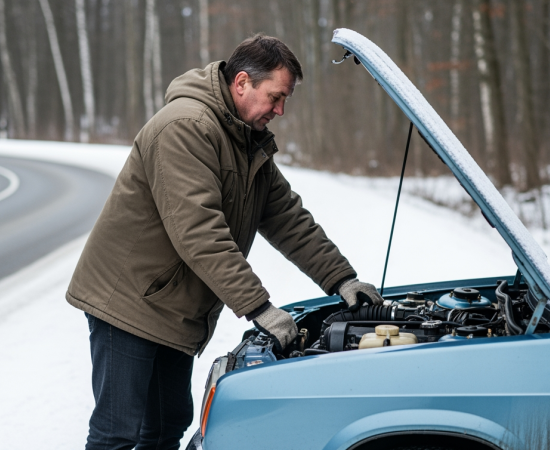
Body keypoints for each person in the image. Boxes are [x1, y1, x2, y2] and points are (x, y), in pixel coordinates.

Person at [66, 34, 383, 450]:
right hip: (128, 301)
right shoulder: (185, 128)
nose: (280, 110)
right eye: (275, 97)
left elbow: (288, 218)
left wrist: (341, 280)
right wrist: (259, 307)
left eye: (285, 99)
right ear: (241, 83)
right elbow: (199, 231)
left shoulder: (245, 141)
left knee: (167, 425)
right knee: (117, 433)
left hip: (171, 305)